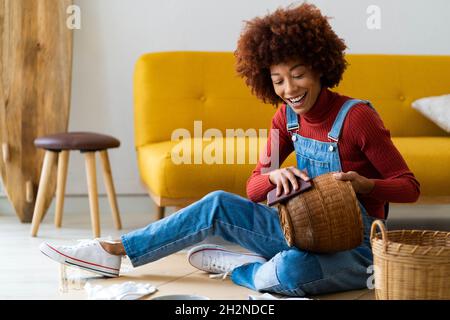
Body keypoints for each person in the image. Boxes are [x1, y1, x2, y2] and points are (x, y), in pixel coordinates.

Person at [40, 3, 420, 296]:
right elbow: (254, 186)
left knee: (289, 272)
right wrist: (273, 176)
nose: (290, 89)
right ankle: (113, 251)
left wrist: (366, 187)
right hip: (299, 231)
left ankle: (243, 268)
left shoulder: (357, 118)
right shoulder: (284, 119)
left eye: (299, 74)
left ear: (321, 67)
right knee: (218, 203)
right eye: (278, 80)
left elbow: (409, 186)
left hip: (358, 245)